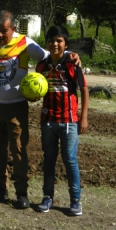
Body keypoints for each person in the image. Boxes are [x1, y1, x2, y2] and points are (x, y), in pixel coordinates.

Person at [0, 10, 80, 209]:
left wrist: (71, 55)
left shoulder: (25, 44)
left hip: (16, 107)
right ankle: (0, 188)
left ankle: (21, 193)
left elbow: (50, 54)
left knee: (18, 150)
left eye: (4, 31)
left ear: (14, 29)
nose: (0, 35)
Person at [35, 25, 88, 216]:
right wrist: (32, 96)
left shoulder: (72, 65)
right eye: (51, 40)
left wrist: (83, 118)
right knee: (49, 160)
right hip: (47, 121)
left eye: (59, 40)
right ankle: (47, 197)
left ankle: (75, 200)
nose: (55, 44)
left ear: (65, 44)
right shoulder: (41, 66)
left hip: (69, 121)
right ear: (47, 43)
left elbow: (84, 90)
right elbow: (37, 88)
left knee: (70, 160)